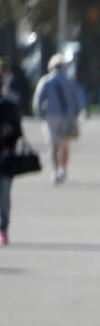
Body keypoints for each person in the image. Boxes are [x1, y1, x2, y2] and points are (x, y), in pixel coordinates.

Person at [32, 54, 83, 184]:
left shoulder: (46, 81)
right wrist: (76, 114)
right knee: (64, 144)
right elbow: (78, 100)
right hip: (67, 116)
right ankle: (63, 170)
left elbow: (38, 100)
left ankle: (54, 170)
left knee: (53, 144)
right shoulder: (70, 81)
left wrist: (40, 114)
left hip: (51, 115)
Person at [0, 71, 24, 246]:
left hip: (5, 156)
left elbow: (18, 131)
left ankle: (3, 228)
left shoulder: (9, 105)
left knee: (4, 194)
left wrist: (10, 134)